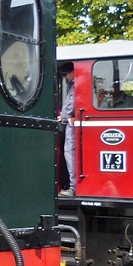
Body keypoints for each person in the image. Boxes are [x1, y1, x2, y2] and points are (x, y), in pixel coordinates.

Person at [58, 64, 76, 196]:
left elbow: (71, 104)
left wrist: (64, 116)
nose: (66, 78)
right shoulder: (74, 86)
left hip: (72, 125)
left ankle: (74, 186)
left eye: (66, 74)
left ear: (72, 72)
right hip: (70, 121)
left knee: (70, 153)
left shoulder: (76, 86)